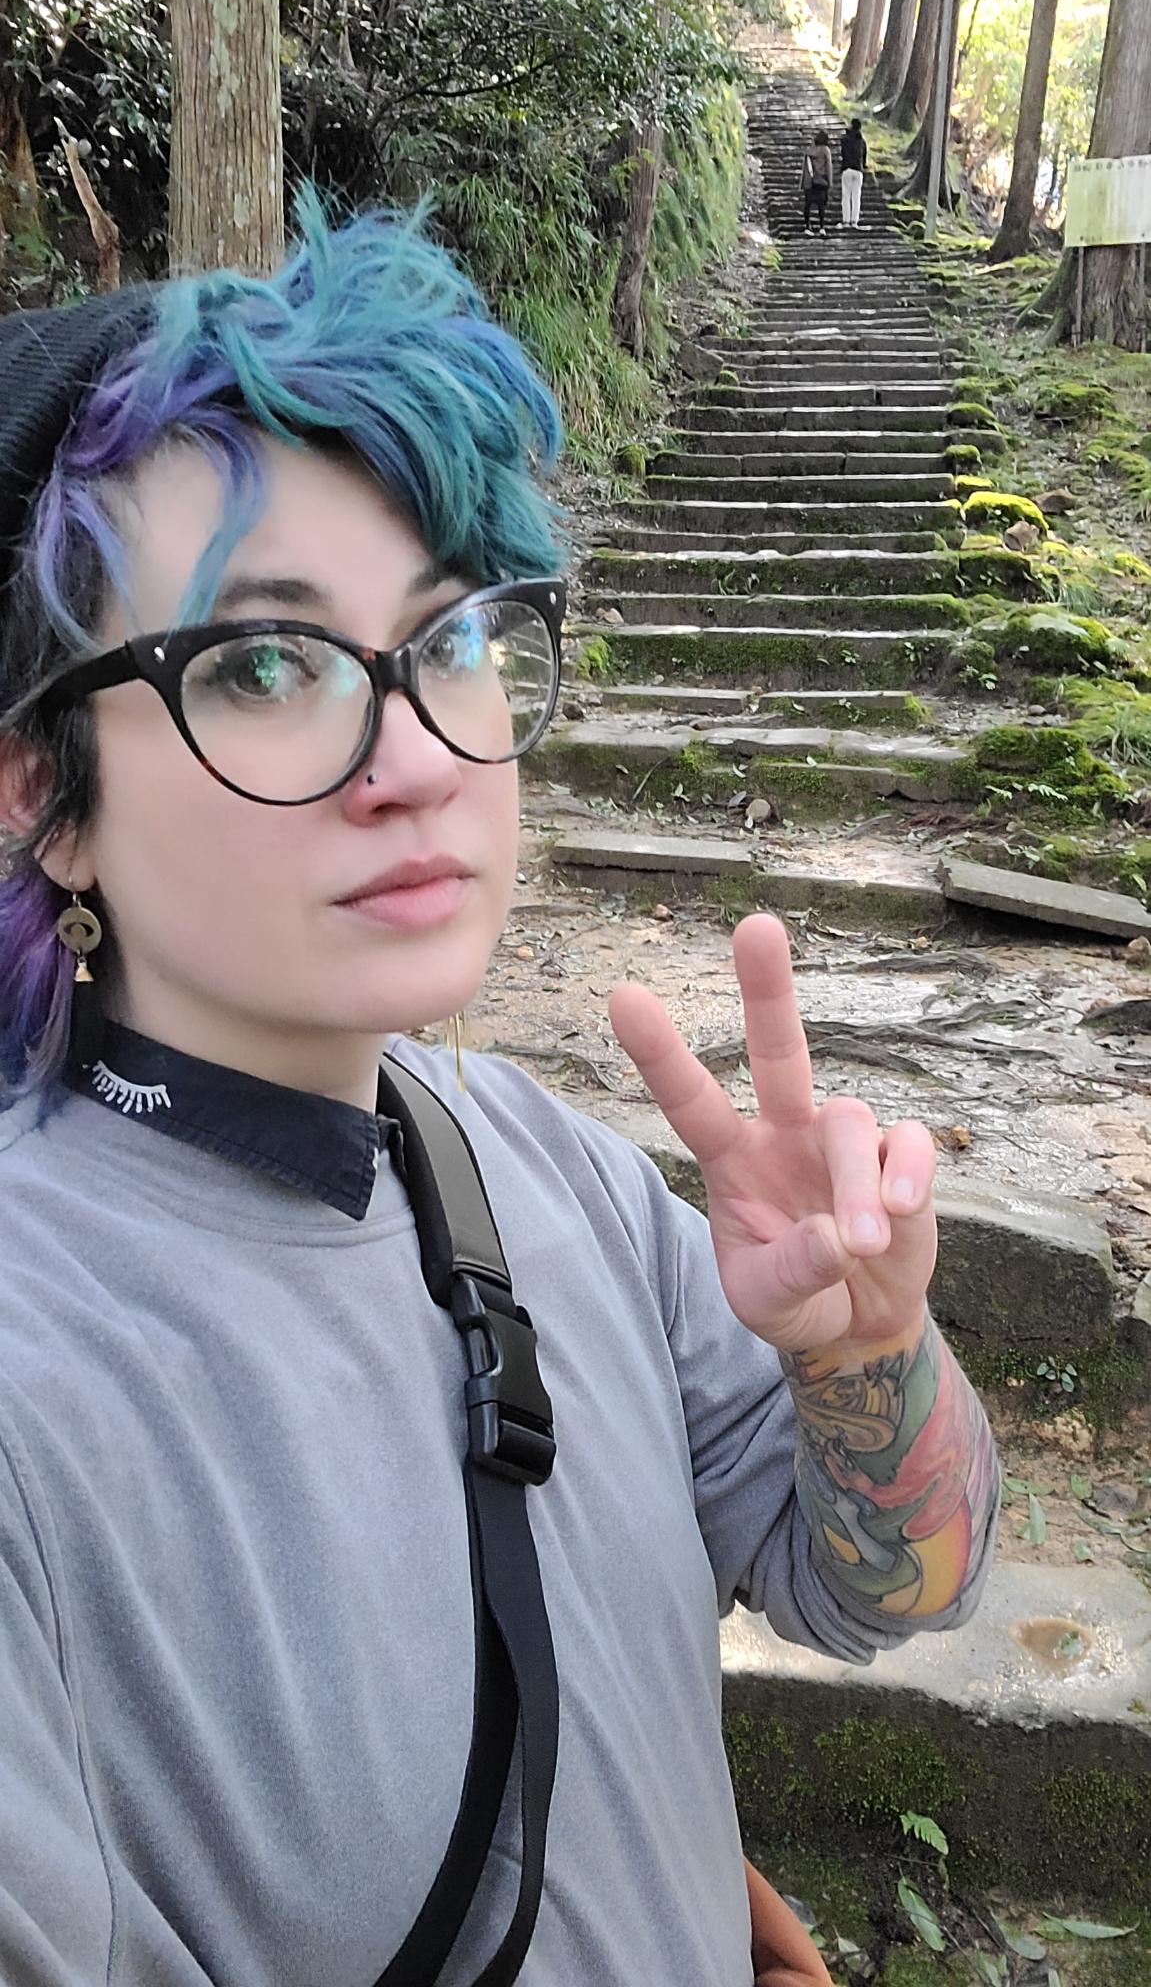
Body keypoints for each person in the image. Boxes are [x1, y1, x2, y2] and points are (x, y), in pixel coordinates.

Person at [0, 196, 999, 1987]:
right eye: (266, 664)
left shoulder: (557, 1177)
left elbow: (894, 1586)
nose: (414, 759)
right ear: (41, 797)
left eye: (452, 636)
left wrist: (864, 1350)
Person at [801, 130, 834, 235]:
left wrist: (803, 183)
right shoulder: (825, 150)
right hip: (821, 181)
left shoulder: (809, 150)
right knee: (821, 205)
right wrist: (830, 181)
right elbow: (828, 167)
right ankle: (821, 227)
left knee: (808, 204)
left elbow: (805, 168)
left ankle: (807, 226)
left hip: (809, 181)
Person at [841, 118, 868, 229]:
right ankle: (854, 221)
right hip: (858, 170)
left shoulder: (845, 139)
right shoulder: (862, 141)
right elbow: (864, 157)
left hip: (847, 169)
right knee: (856, 197)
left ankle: (846, 220)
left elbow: (843, 151)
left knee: (846, 196)